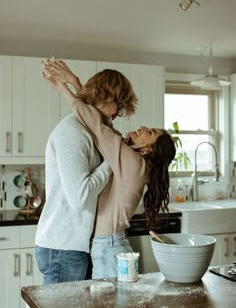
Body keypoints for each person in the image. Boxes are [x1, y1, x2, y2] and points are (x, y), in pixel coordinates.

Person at [41, 58, 176, 280]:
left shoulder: (132, 161)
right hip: (106, 244)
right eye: (120, 106)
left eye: (149, 132)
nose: (141, 126)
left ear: (148, 150)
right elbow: (101, 124)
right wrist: (75, 83)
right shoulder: (127, 157)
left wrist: (64, 88)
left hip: (109, 245)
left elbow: (98, 124)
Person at [35, 60, 138, 284]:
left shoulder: (91, 130)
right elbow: (80, 198)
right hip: (62, 248)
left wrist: (75, 83)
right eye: (118, 105)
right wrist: (112, 161)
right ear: (103, 97)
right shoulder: (72, 132)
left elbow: (99, 122)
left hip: (75, 245)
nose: (119, 112)